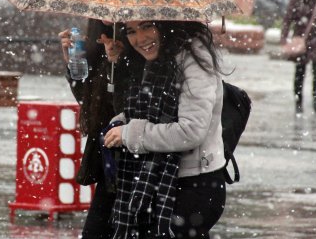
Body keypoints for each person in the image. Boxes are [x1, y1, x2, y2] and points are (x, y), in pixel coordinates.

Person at [103, 20, 227, 238]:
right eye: (131, 31)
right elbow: (147, 109)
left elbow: (190, 131)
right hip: (161, 180)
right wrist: (120, 122)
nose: (140, 39)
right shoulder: (158, 58)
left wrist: (130, 134)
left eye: (147, 26)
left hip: (193, 185)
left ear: (165, 23)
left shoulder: (193, 59)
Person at [58, 19, 125, 239]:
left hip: (133, 158)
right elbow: (88, 102)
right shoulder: (99, 41)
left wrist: (119, 63)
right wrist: (73, 61)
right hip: (109, 160)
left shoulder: (136, 43)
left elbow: (125, 107)